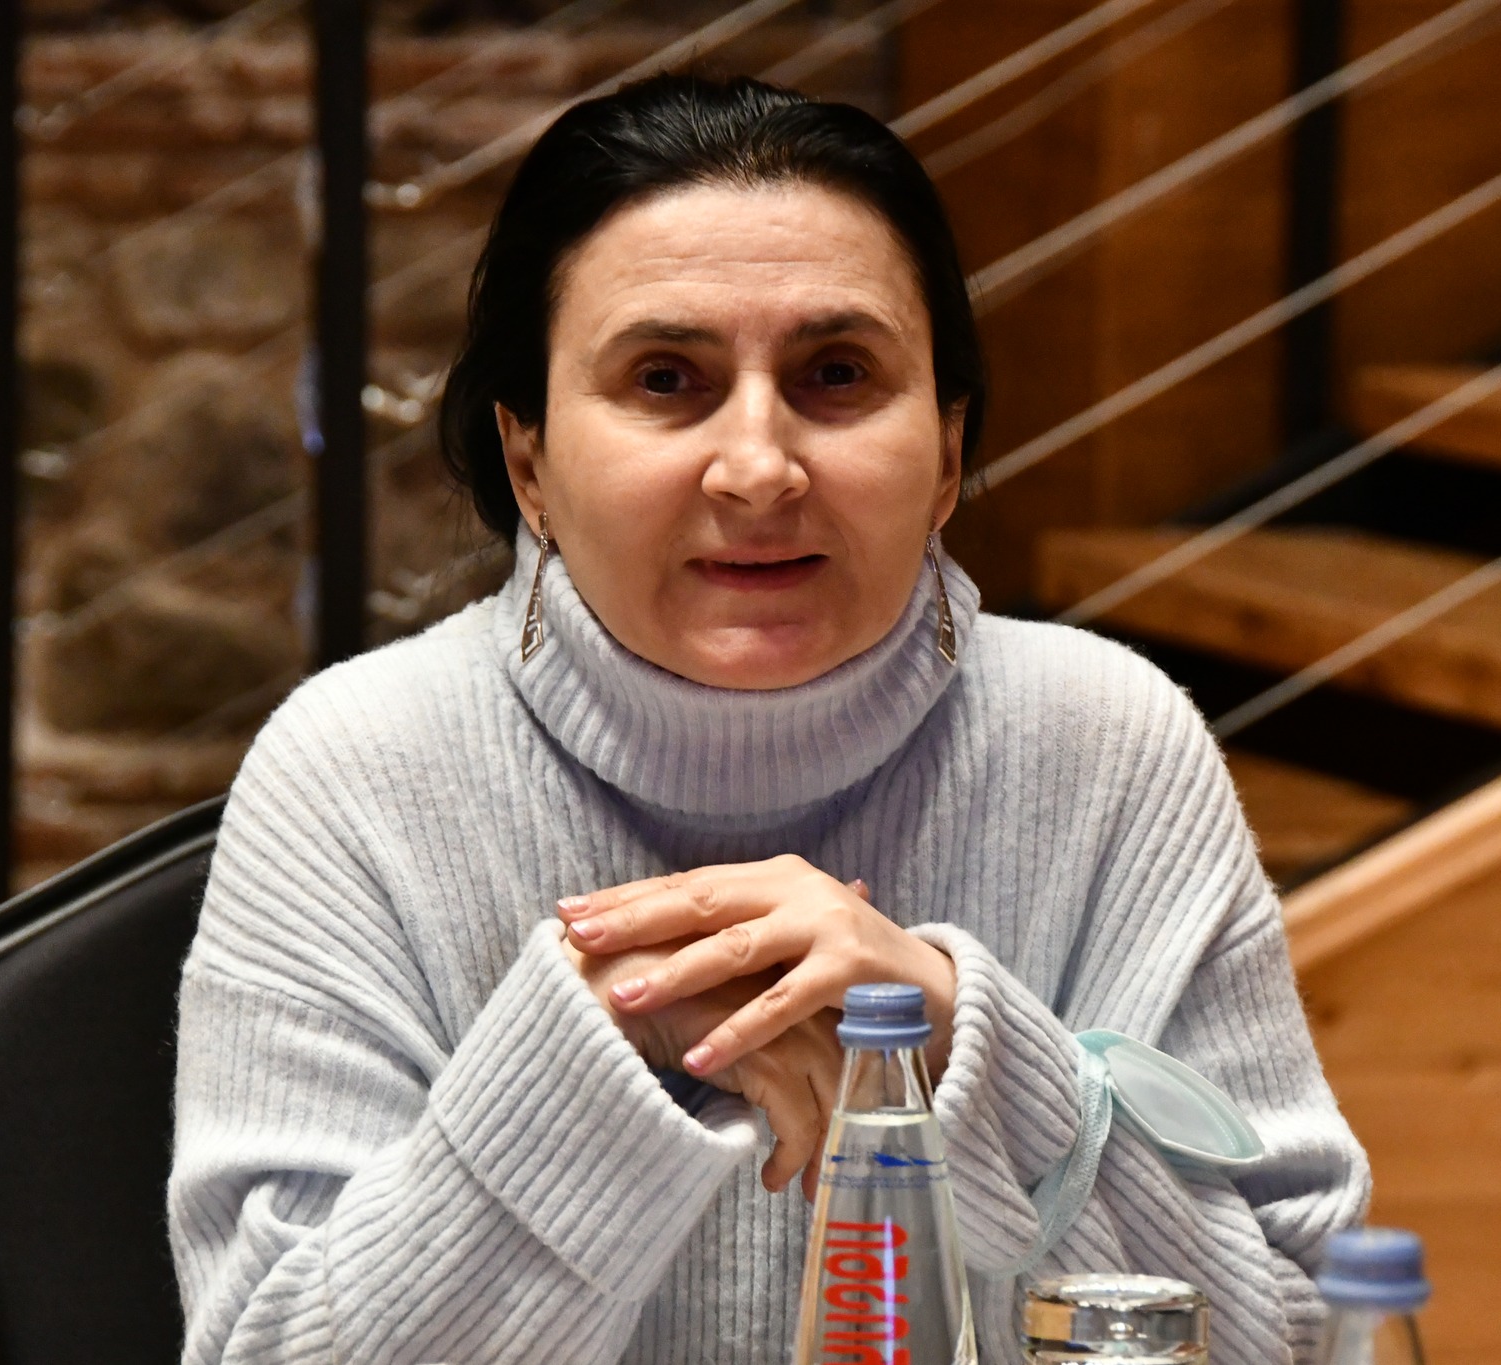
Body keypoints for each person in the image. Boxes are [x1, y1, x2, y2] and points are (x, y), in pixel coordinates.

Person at [169, 73, 1368, 1365]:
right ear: (530, 463)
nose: (758, 468)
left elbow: (1305, 1334)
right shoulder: (355, 768)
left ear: (948, 452)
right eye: (666, 377)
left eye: (836, 373)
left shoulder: (1106, 742)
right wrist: (597, 1043)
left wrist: (958, 1048)